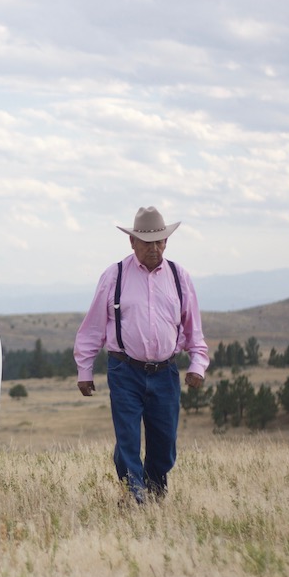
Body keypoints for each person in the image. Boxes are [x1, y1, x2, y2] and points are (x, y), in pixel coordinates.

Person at [74, 206, 209, 504]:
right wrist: (85, 370)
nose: (154, 248)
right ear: (132, 242)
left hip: (166, 373)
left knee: (164, 444)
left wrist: (197, 364)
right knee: (128, 440)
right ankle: (135, 496)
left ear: (167, 243)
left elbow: (193, 328)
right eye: (147, 242)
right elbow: (93, 327)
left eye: (160, 241)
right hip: (125, 371)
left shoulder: (179, 276)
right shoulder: (114, 276)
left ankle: (156, 487)